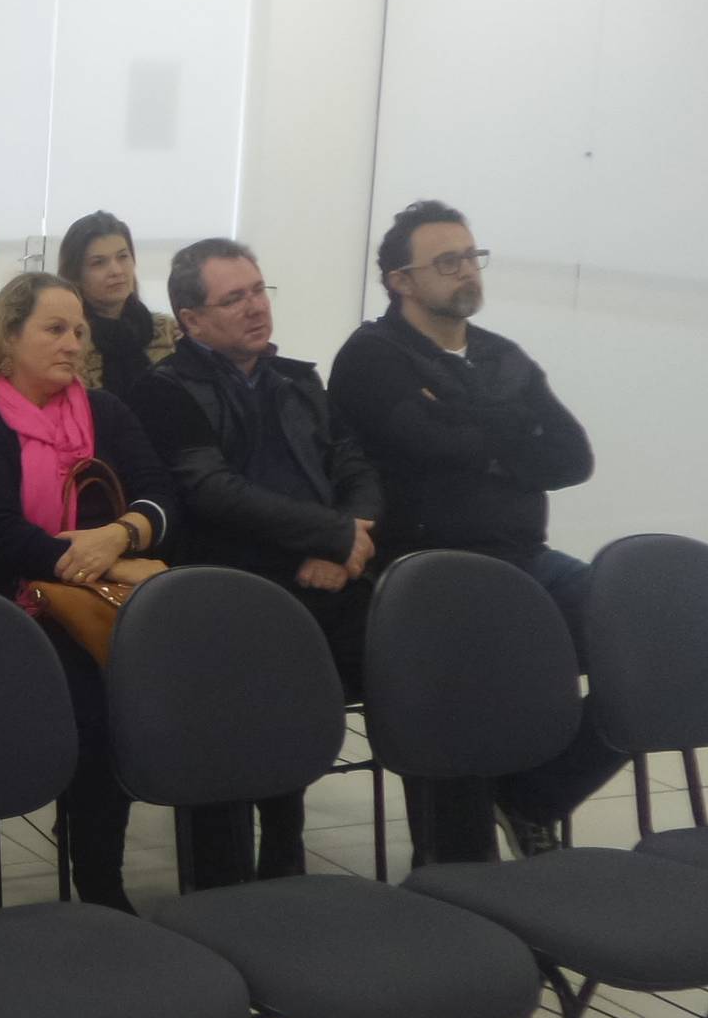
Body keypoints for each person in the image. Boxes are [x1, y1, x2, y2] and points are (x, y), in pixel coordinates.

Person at [328, 200, 619, 860]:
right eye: (447, 261)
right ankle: (458, 869)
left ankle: (534, 794)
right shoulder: (373, 356)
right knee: (465, 677)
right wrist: (514, 433)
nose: (466, 270)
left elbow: (572, 458)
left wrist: (472, 426)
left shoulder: (500, 355)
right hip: (425, 573)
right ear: (401, 280)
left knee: (641, 640)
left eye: (471, 256)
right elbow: (431, 445)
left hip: (525, 559)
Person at [131, 241, 379, 888]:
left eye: (259, 290)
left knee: (421, 644)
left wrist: (344, 548)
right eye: (234, 298)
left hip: (323, 581)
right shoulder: (163, 391)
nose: (255, 307)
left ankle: (442, 848)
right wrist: (329, 535)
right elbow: (212, 491)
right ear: (190, 320)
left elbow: (355, 467)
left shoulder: (298, 380)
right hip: (226, 587)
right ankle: (230, 879)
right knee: (254, 673)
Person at [0, 273, 175, 912]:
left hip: (103, 601)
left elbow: (161, 494)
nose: (72, 344)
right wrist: (104, 564)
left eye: (79, 331)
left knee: (188, 673)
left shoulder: (106, 413)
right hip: (9, 613)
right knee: (103, 701)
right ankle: (100, 880)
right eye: (54, 329)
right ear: (9, 337)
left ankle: (215, 867)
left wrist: (121, 535)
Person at [58, 211, 179, 392]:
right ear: (75, 275)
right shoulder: (69, 342)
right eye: (98, 263)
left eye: (123, 257)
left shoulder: (169, 332)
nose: (116, 271)